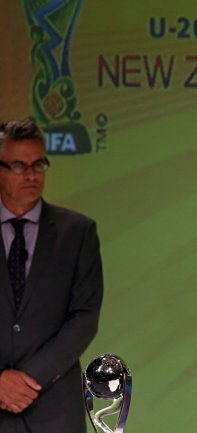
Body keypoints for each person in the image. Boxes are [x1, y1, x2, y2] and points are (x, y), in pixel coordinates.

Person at [0, 119, 103, 433]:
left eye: (38, 164)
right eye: (19, 166)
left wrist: (28, 380)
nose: (31, 175)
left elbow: (84, 318)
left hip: (53, 411)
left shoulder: (77, 233)